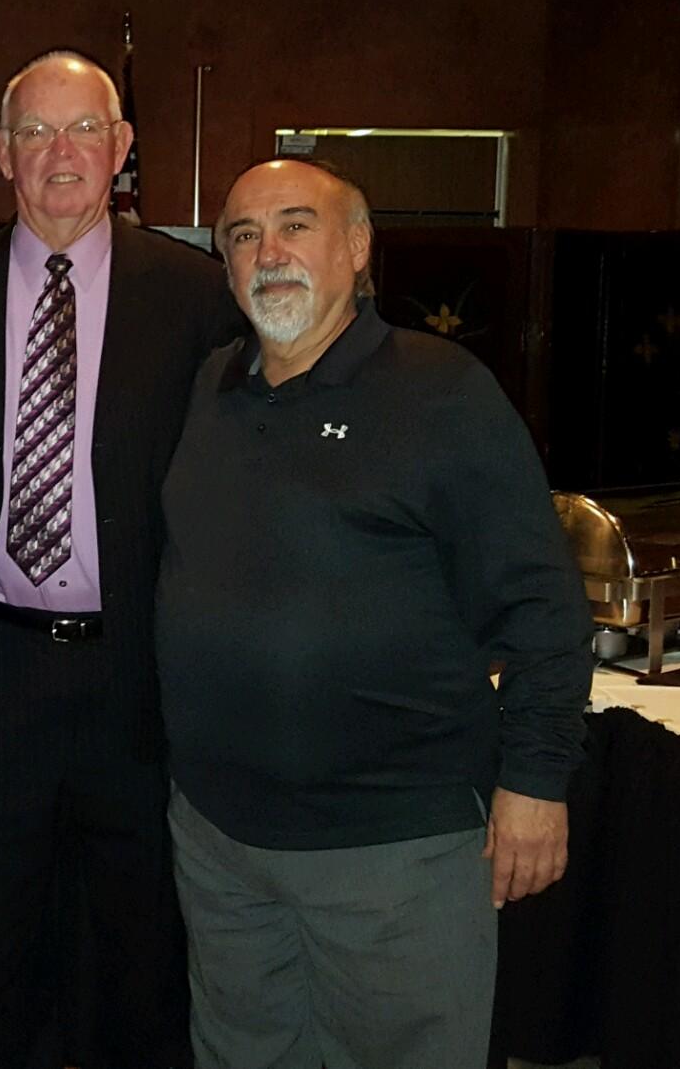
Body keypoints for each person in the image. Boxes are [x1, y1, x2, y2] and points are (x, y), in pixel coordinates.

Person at [159, 158, 593, 1068]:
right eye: (242, 235)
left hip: (393, 851)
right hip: (221, 844)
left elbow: (541, 602)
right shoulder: (209, 389)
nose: (267, 252)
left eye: (294, 225)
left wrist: (537, 781)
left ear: (356, 248)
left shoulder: (442, 391)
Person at [0, 50, 242, 1069]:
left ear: (122, 147)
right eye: (37, 132)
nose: (61, 154)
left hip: (136, 675)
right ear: (2, 152)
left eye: (84, 129)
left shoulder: (196, 297)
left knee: (143, 951)